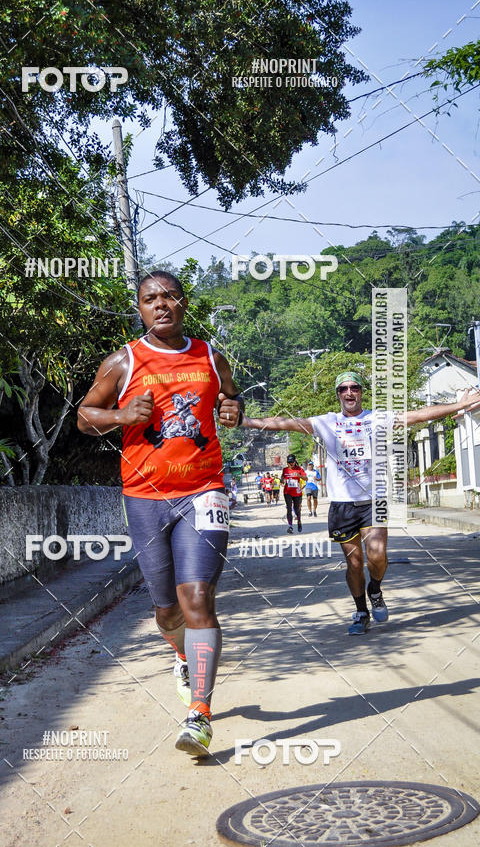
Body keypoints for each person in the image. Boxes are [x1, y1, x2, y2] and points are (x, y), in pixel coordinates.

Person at [77, 270, 244, 755]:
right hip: (144, 497)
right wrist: (122, 417)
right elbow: (85, 416)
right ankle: (182, 656)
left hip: (204, 492)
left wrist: (231, 408)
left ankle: (200, 714)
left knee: (196, 599)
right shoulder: (122, 362)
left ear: (184, 303)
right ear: (140, 308)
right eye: (151, 299)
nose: (161, 305)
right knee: (166, 609)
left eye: (170, 296)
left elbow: (230, 396)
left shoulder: (211, 355)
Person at [243, 371, 480, 634]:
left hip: (373, 501)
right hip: (342, 505)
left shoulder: (377, 418)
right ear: (338, 395)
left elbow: (418, 415)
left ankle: (375, 590)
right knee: (354, 563)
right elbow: (284, 423)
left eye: (354, 387)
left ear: (361, 392)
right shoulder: (327, 422)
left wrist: (458, 405)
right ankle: (360, 611)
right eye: (343, 389)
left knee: (377, 555)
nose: (349, 392)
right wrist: (246, 420)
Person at [281, 454, 306, 534]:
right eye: (289, 462)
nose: (290, 464)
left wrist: (299, 475)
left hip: (297, 492)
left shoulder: (299, 469)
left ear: (295, 462)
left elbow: (306, 478)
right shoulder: (285, 470)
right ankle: (290, 526)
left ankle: (299, 521)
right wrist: (282, 481)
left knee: (297, 509)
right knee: (289, 508)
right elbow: (282, 478)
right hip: (287, 491)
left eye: (292, 462)